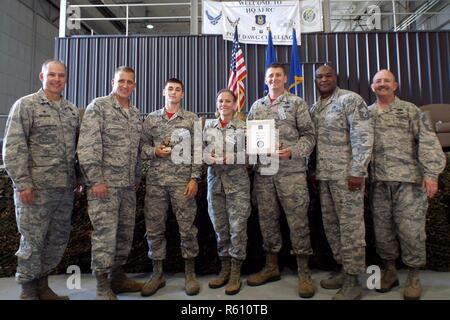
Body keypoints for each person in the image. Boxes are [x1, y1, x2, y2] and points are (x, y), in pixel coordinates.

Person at [2, 59, 80, 300]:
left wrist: (78, 179)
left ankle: (43, 287)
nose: (57, 79)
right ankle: (27, 290)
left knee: (56, 240)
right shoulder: (26, 105)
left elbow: (76, 150)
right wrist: (23, 184)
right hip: (35, 190)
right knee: (32, 242)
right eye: (52, 75)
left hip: (64, 190)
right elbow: (13, 148)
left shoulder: (71, 111)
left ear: (66, 79)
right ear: (41, 76)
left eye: (61, 76)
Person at [368, 69, 446, 300]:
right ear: (372, 87)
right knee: (383, 232)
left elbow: (428, 142)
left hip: (408, 183)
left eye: (386, 81)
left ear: (396, 85)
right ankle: (390, 271)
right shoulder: (366, 113)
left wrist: (431, 175)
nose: (382, 84)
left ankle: (413, 276)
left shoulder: (410, 110)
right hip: (378, 183)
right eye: (378, 81)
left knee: (411, 232)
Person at [246, 63, 316, 298]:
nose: (274, 79)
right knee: (267, 222)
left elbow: (309, 135)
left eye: (278, 75)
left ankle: (304, 270)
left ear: (285, 78)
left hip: (291, 173)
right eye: (270, 76)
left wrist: (293, 151)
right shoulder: (257, 106)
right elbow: (250, 138)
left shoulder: (296, 103)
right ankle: (271, 266)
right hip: (265, 175)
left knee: (298, 222)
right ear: (265, 80)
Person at [77, 66, 143, 300]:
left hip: (126, 187)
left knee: (125, 234)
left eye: (130, 82)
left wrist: (136, 178)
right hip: (104, 186)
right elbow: (87, 147)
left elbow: (135, 150)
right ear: (112, 82)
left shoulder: (135, 112)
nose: (125, 85)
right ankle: (102, 284)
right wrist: (95, 180)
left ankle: (118, 276)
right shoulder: (99, 107)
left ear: (134, 86)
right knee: (105, 235)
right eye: (121, 81)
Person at [310, 64, 373, 300]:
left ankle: (354, 280)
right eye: (319, 76)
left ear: (335, 78)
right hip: (325, 177)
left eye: (328, 75)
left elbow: (363, 136)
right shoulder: (316, 107)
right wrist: (314, 171)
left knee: (351, 229)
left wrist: (358, 171)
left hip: (347, 177)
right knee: (332, 227)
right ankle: (343, 269)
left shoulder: (351, 100)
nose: (324, 79)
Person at [141, 78, 203, 296]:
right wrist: (154, 152)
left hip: (182, 183)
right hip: (156, 182)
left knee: (187, 228)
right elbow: (141, 147)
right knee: (155, 229)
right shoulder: (150, 119)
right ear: (163, 92)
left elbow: (198, 151)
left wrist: (195, 178)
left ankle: (190, 274)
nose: (174, 92)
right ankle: (157, 274)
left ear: (182, 95)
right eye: (170, 89)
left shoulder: (191, 119)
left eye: (178, 90)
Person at [204, 89, 251, 295]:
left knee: (237, 229)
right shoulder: (207, 127)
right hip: (215, 185)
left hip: (237, 186)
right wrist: (208, 157)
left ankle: (235, 273)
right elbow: (198, 153)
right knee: (220, 228)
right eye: (220, 101)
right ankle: (224, 269)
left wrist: (237, 158)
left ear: (235, 104)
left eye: (228, 101)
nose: (224, 104)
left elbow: (256, 155)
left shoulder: (244, 127)